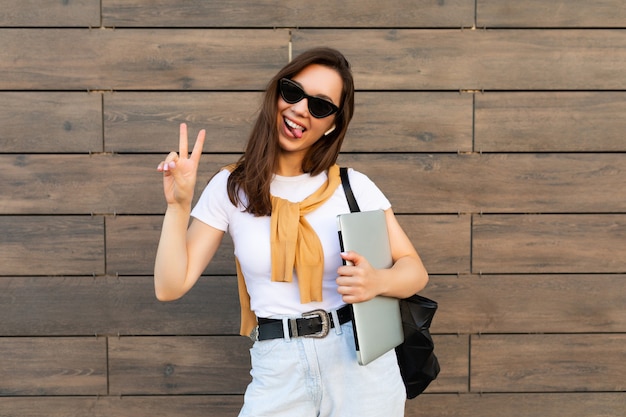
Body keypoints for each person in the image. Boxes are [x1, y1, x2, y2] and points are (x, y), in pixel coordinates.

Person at [155, 47, 429, 417]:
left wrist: (376, 281)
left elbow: (414, 269)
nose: (301, 108)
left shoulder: (353, 186)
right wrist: (178, 206)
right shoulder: (230, 187)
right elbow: (170, 287)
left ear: (332, 123)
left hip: (360, 365)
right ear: (276, 94)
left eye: (320, 106)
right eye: (293, 92)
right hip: (277, 364)